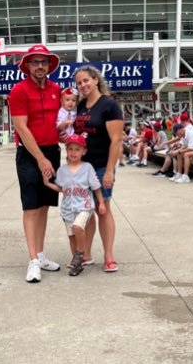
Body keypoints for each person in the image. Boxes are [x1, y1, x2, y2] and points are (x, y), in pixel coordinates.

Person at [9, 44, 62, 283]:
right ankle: (32, 261)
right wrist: (41, 159)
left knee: (44, 206)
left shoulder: (56, 89)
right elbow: (21, 127)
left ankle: (40, 255)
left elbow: (61, 119)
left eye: (44, 62)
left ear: (49, 65)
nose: (40, 66)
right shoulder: (19, 91)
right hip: (30, 155)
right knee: (30, 207)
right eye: (35, 62)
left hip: (53, 151)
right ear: (27, 66)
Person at [74, 65, 124, 272]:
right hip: (82, 168)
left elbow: (116, 140)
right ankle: (86, 254)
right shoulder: (81, 106)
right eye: (79, 83)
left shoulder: (109, 105)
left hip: (102, 166)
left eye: (86, 80)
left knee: (103, 210)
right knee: (85, 210)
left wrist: (110, 170)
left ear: (95, 80)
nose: (83, 85)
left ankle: (109, 255)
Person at [43, 134, 106, 276]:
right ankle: (77, 263)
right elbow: (61, 188)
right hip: (67, 209)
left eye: (77, 149)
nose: (73, 152)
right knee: (72, 237)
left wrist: (101, 202)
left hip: (84, 206)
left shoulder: (87, 167)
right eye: (70, 149)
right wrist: (47, 183)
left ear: (84, 151)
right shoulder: (62, 170)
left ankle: (80, 254)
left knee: (78, 227)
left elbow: (96, 187)